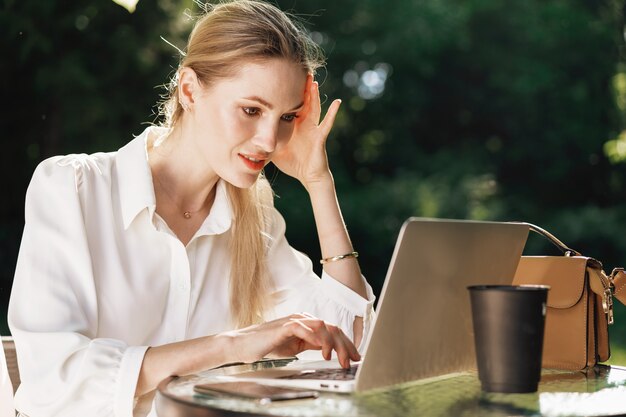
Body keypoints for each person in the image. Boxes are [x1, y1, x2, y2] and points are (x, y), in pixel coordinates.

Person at [8, 0, 375, 416]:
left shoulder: (254, 218)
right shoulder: (73, 190)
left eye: (287, 117)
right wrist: (230, 345)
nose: (270, 141)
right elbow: (54, 379)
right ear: (189, 90)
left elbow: (349, 345)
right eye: (251, 110)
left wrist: (317, 182)